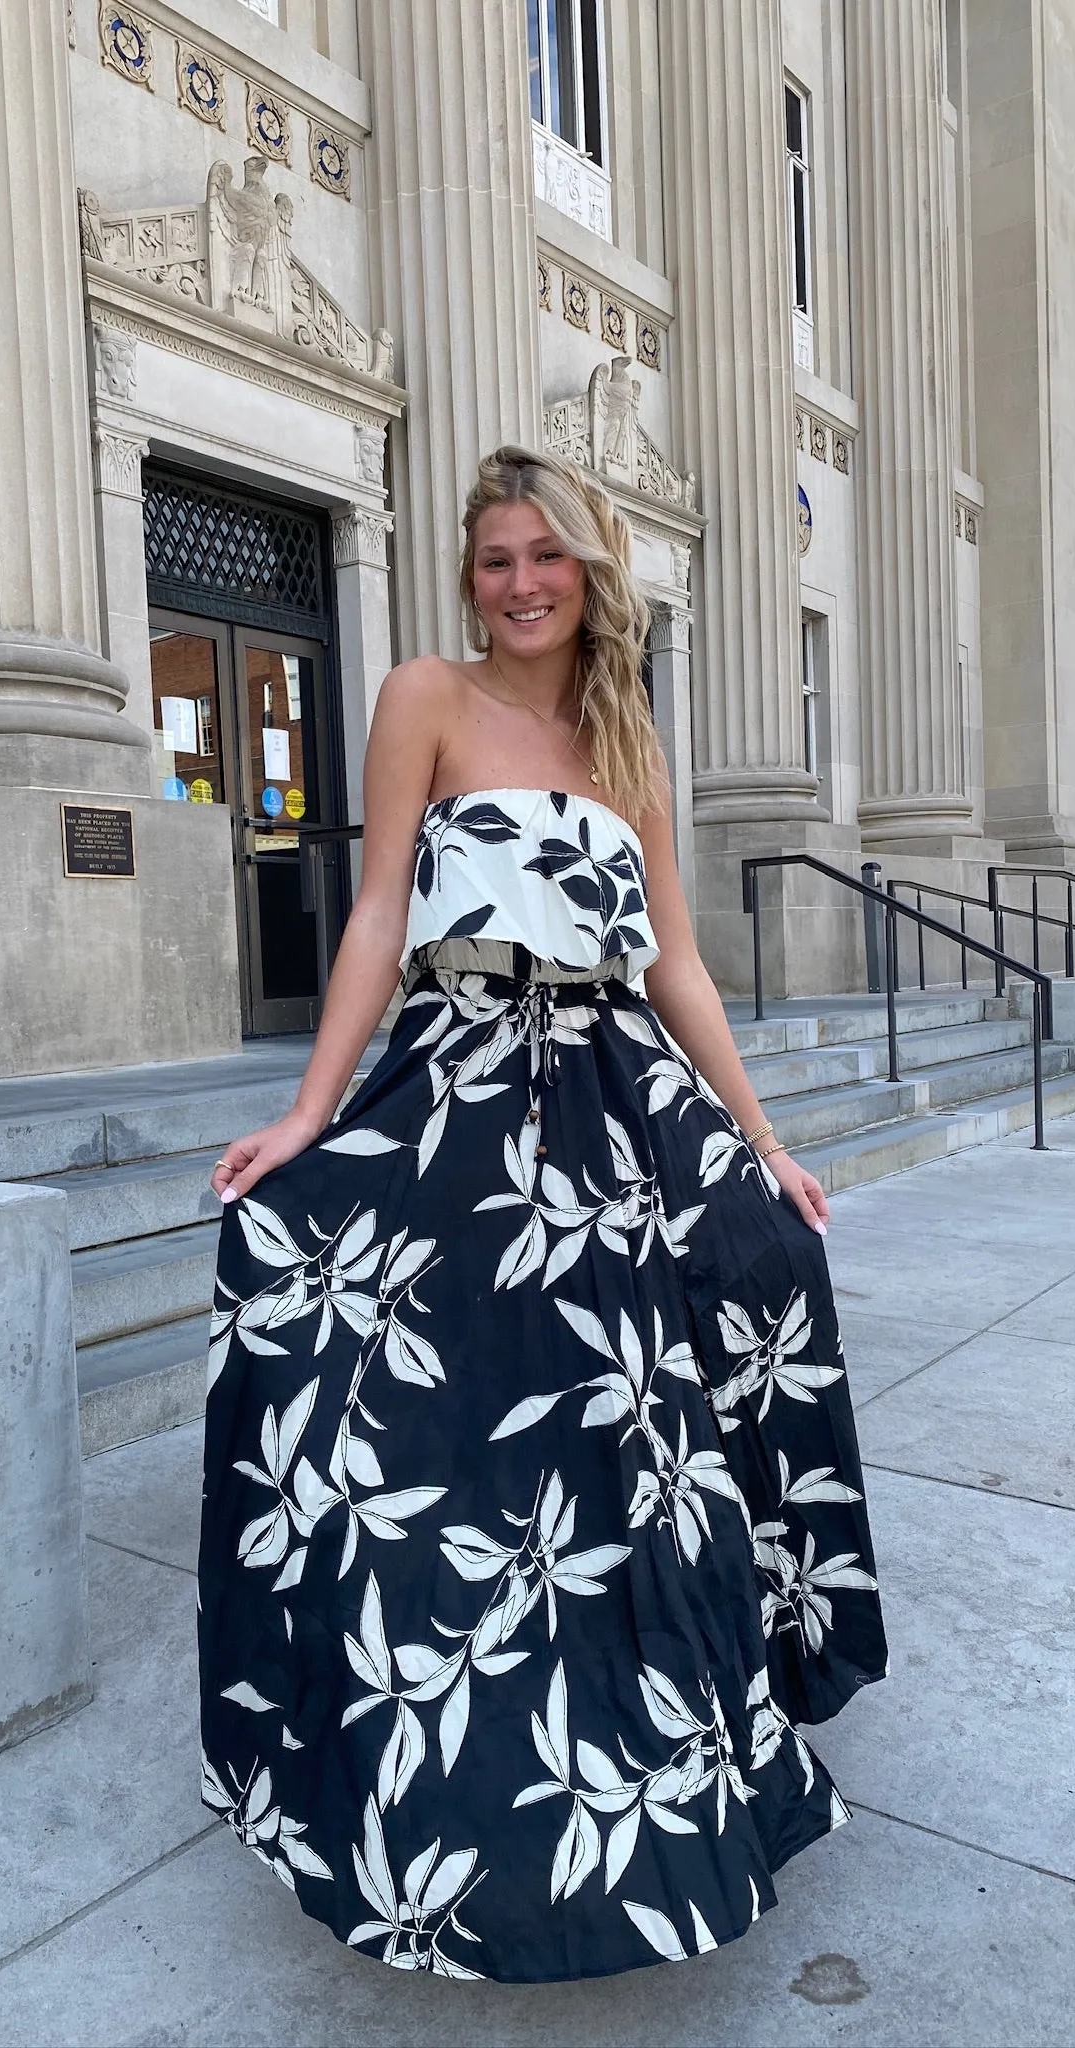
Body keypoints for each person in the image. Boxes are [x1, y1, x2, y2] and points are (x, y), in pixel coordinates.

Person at [199, 446, 886, 1983]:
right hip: (458, 1094)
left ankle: (665, 1794)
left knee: (642, 1461)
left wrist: (761, 1136)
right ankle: (423, 1792)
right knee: (430, 1439)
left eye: (545, 558)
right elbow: (380, 908)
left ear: (592, 572)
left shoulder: (630, 742)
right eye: (496, 557)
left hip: (616, 1102)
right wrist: (312, 1112)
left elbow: (678, 965)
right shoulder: (423, 701)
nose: (518, 583)